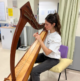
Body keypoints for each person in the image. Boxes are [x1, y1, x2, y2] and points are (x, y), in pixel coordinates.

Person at [28, 13, 61, 81]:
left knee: (35, 71)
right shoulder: (47, 32)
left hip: (53, 59)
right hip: (45, 56)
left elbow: (47, 52)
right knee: (29, 60)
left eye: (47, 24)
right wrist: (37, 38)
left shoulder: (57, 37)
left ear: (53, 24)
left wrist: (40, 40)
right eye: (44, 23)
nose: (45, 26)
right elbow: (41, 44)